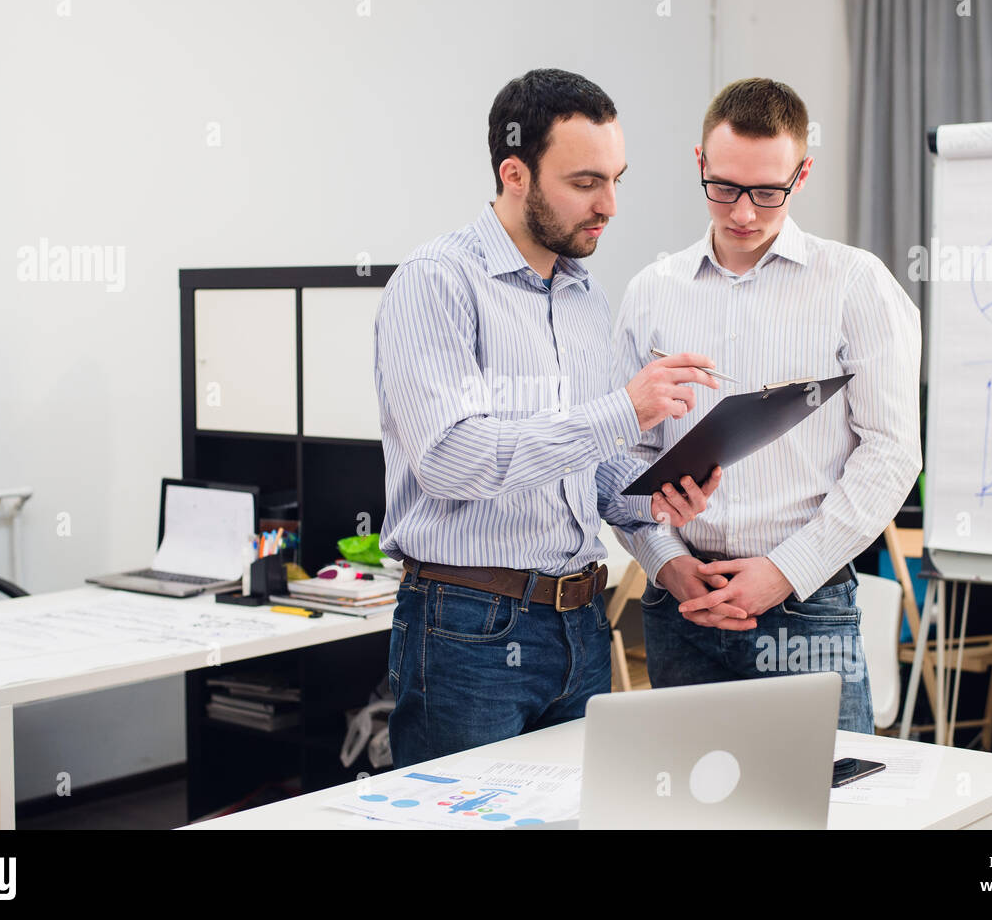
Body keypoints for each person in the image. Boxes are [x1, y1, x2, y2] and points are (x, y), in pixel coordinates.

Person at [374, 68, 726, 766]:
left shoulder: (583, 299)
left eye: (617, 179)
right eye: (586, 182)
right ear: (515, 172)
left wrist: (652, 493)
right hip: (467, 627)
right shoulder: (435, 283)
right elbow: (450, 459)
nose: (610, 205)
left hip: (582, 622)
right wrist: (623, 410)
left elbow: (583, 469)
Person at [613, 77, 922, 733]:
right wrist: (665, 560)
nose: (743, 213)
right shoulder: (650, 291)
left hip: (805, 608)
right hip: (681, 607)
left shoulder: (855, 284)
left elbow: (892, 453)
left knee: (833, 808)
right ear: (699, 163)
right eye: (724, 187)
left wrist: (785, 571)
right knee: (687, 809)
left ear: (802, 174)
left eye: (767, 193)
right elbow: (625, 453)